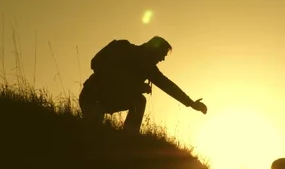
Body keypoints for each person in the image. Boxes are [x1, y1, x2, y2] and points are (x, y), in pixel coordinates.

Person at [79, 36, 207, 132]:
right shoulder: (123, 47)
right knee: (93, 131)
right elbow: (95, 63)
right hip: (92, 96)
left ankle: (129, 138)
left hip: (108, 100)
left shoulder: (149, 69)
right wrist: (134, 86)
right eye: (161, 55)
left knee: (139, 100)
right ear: (153, 50)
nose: (162, 59)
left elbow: (168, 86)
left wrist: (190, 103)